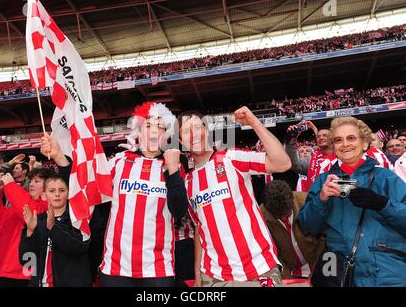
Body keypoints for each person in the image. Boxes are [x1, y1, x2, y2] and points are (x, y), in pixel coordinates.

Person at [179, 107, 291, 287]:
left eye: (197, 127)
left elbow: (282, 163)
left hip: (260, 267)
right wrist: (198, 273)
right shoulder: (187, 183)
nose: (194, 134)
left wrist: (254, 122)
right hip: (214, 275)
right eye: (186, 131)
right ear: (180, 141)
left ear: (206, 130)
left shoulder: (231, 158)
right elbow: (200, 227)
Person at [299, 116, 406, 286]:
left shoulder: (386, 178)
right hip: (340, 271)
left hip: (387, 271)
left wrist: (382, 204)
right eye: (338, 140)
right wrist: (321, 199)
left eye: (351, 138)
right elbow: (308, 227)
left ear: (364, 143)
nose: (345, 144)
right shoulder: (322, 181)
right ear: (334, 146)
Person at [98, 102, 188, 287]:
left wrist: (172, 170)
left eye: (159, 126)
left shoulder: (174, 167)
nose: (154, 130)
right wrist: (61, 158)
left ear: (166, 135)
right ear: (138, 131)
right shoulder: (119, 162)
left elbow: (179, 211)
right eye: (148, 125)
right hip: (117, 268)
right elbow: (88, 188)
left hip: (158, 269)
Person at [0, 168, 53, 287]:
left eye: (37, 181)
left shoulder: (47, 207)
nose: (31, 184)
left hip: (24, 273)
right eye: (30, 180)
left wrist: (10, 185)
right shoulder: (21, 204)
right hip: (4, 271)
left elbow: (30, 210)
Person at [19, 173, 92, 287]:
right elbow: (27, 261)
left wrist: (53, 227)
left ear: (68, 194)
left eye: (62, 190)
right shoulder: (37, 220)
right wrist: (30, 231)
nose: (57, 194)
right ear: (43, 195)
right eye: (52, 191)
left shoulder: (78, 220)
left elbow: (79, 248)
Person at [260, 180, 325, 279]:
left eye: (286, 214)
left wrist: (319, 269)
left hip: (318, 264)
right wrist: (287, 278)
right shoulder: (260, 217)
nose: (283, 219)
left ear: (292, 200)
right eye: (278, 217)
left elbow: (325, 238)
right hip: (289, 272)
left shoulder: (308, 203)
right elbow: (270, 252)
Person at [285, 121, 334, 191]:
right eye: (318, 136)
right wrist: (291, 140)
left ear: (332, 138)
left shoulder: (341, 156)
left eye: (325, 135)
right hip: (314, 199)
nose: (321, 137)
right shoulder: (312, 159)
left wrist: (313, 127)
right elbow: (295, 164)